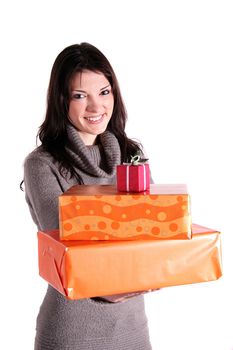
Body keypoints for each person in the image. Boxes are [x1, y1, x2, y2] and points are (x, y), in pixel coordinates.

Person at [23, 42, 153, 350]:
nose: (96, 107)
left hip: (132, 327)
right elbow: (67, 245)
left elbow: (148, 231)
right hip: (72, 333)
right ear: (61, 101)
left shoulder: (131, 154)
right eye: (81, 96)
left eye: (104, 92)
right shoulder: (42, 164)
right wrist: (109, 285)